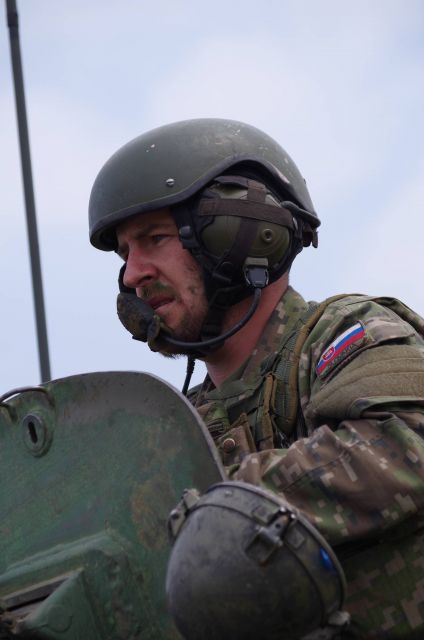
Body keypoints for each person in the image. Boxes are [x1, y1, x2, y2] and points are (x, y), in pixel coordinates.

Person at [89, 118, 424, 639]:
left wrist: (205, 505)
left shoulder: (340, 335)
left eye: (154, 239)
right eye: (125, 254)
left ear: (240, 235)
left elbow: (406, 444)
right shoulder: (175, 429)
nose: (133, 275)